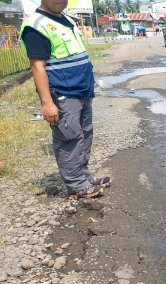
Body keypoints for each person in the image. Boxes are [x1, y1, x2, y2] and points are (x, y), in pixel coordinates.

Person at [20, 0, 110, 199]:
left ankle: (85, 178)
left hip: (82, 91)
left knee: (85, 136)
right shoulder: (36, 25)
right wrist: (47, 103)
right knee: (69, 139)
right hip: (63, 93)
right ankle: (77, 186)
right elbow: (38, 67)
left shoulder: (67, 20)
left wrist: (90, 90)